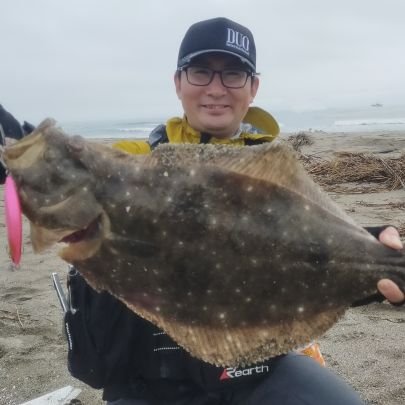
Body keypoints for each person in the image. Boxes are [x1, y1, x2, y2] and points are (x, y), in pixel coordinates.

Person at [2, 17, 403, 405]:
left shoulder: (268, 188)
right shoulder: (134, 162)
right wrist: (19, 151)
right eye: (200, 72)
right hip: (147, 384)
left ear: (253, 87)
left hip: (257, 374)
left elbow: (298, 245)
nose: (216, 88)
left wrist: (377, 253)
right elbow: (75, 171)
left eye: (233, 74)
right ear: (178, 82)